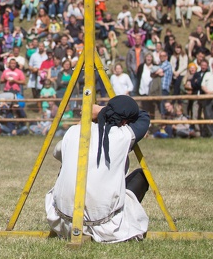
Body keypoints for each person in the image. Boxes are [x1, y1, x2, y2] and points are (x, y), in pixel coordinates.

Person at [45, 96, 151, 243]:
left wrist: (94, 113)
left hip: (63, 222)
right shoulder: (123, 136)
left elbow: (57, 151)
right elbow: (144, 116)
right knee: (141, 175)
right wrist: (104, 111)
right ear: (125, 122)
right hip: (105, 226)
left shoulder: (74, 131)